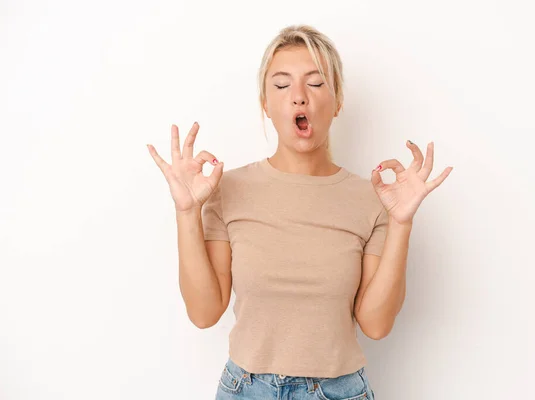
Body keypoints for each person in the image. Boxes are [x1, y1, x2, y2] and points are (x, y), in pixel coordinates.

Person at [147, 24, 452, 400]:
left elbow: (376, 324)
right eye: (281, 85)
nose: (298, 97)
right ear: (266, 103)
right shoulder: (227, 190)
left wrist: (402, 222)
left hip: (340, 391)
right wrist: (186, 212)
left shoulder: (375, 199)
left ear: (337, 100)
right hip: (246, 390)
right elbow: (204, 312)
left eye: (316, 83)